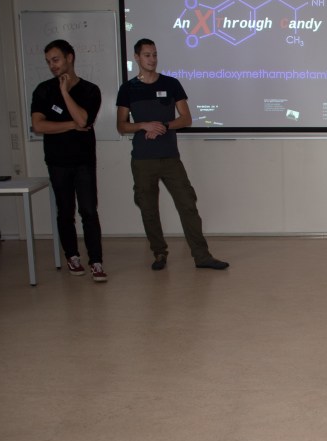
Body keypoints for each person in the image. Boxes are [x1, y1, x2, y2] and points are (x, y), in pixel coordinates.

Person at [116, 38, 228, 271]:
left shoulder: (171, 83)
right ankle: (159, 253)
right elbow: (121, 125)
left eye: (155, 54)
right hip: (142, 159)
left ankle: (202, 256)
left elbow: (186, 119)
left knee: (187, 204)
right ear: (137, 57)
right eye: (147, 55)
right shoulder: (128, 89)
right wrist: (143, 125)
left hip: (170, 157)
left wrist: (163, 126)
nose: (152, 59)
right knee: (148, 208)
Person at [30, 39, 107, 283]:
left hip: (84, 161)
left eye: (56, 60)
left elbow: (84, 119)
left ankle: (96, 262)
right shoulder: (43, 90)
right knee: (65, 212)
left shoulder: (90, 90)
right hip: (57, 162)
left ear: (69, 57)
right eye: (48, 62)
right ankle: (72, 256)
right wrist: (72, 125)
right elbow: (38, 125)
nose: (52, 66)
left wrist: (64, 93)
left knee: (89, 211)